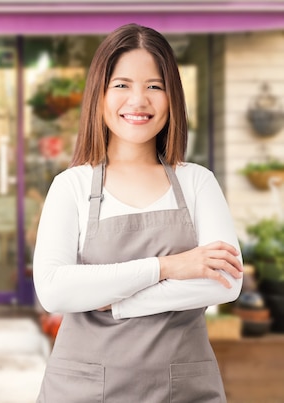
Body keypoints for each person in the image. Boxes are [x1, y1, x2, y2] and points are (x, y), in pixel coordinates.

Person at [33, 23, 243, 403]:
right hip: (82, 389)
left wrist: (116, 299)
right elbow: (54, 289)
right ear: (99, 95)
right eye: (122, 85)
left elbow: (225, 281)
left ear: (172, 98)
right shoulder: (72, 186)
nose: (138, 101)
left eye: (154, 86)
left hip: (184, 389)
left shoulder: (197, 183)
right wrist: (168, 267)